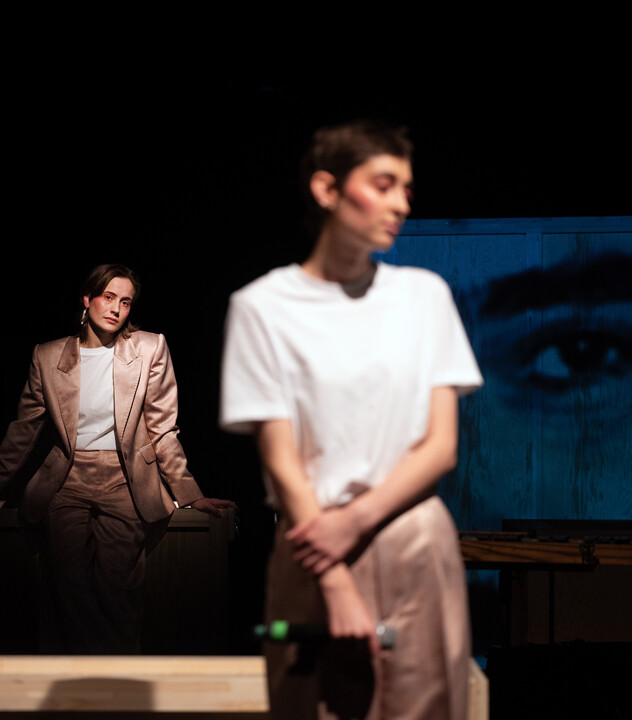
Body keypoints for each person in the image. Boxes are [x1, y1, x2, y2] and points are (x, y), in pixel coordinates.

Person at [220, 121, 482, 719]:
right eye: (383, 185)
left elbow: (441, 445)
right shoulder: (263, 307)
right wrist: (334, 576)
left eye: (406, 190)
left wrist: (357, 520)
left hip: (414, 539)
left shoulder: (424, 297)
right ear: (326, 189)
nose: (401, 204)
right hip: (311, 544)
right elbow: (280, 458)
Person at [0, 263, 234, 654]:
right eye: (108, 297)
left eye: (125, 302)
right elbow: (22, 432)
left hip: (124, 480)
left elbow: (163, 429)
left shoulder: (149, 347)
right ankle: (91, 673)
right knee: (68, 584)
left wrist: (189, 493)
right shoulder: (47, 355)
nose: (116, 308)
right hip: (67, 480)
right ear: (87, 299)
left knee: (119, 589)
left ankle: (118, 679)